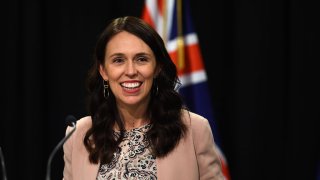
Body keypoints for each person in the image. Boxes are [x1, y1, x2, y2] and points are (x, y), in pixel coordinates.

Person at [63, 16, 224, 180]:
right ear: (103, 71)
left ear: (157, 68)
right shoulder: (78, 135)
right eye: (118, 60)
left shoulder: (194, 129)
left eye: (141, 59)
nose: (131, 71)